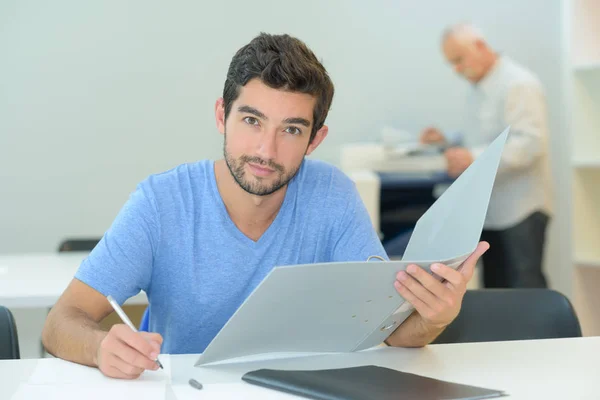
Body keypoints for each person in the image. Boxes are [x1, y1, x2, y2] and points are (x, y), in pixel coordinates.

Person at [42, 32, 489, 379]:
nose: (265, 149)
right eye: (251, 120)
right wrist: (101, 347)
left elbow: (388, 333)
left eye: (291, 130)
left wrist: (434, 318)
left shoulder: (332, 195)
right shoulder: (160, 203)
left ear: (315, 140)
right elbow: (61, 321)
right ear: (222, 115)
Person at [420, 23, 552, 289]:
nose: (456, 69)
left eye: (459, 60)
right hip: (489, 210)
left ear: (480, 46)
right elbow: (482, 138)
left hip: (520, 208)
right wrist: (447, 141)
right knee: (496, 288)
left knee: (525, 290)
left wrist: (471, 156)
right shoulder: (479, 87)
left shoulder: (518, 83)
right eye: (451, 64)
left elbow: (530, 144)